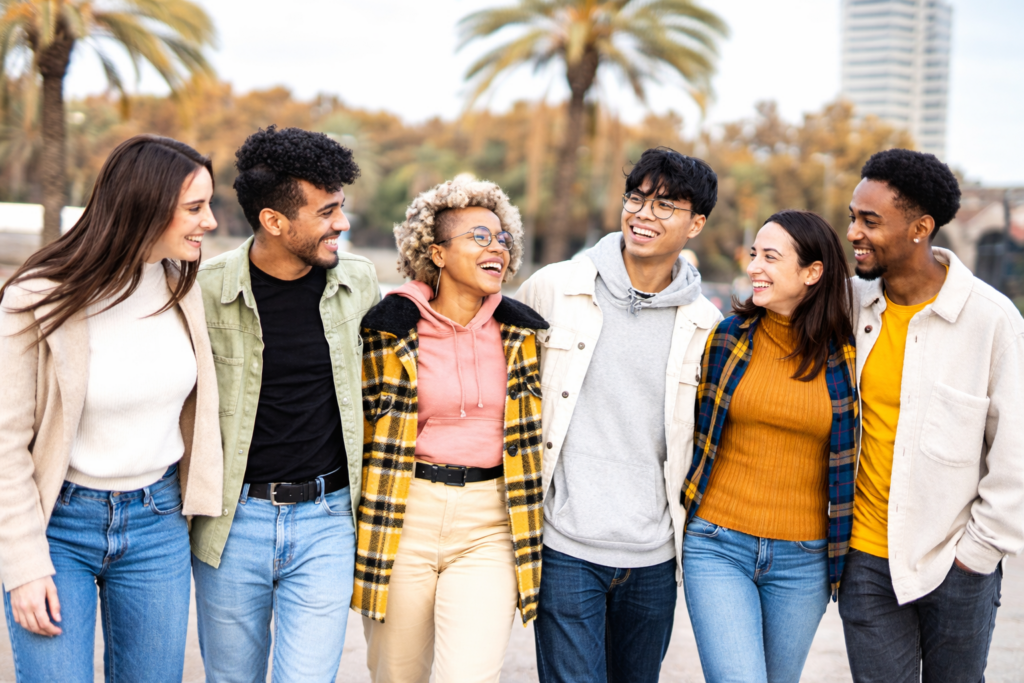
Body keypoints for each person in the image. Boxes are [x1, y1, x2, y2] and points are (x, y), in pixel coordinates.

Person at [0, 135, 223, 683]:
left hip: (156, 523)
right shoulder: (39, 296)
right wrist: (23, 566)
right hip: (59, 523)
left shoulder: (182, 285)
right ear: (143, 206)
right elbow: (5, 443)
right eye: (195, 208)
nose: (211, 222)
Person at [516, 147, 722, 683]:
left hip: (654, 556)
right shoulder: (555, 288)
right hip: (564, 545)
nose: (644, 214)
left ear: (696, 223)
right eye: (637, 198)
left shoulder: (705, 323)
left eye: (666, 205)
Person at [190, 126, 379, 683]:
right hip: (232, 524)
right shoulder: (205, 289)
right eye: (326, 212)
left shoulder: (360, 283)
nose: (341, 223)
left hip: (327, 523)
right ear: (274, 221)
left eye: (340, 207)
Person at [839, 149, 1024, 682]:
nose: (854, 232)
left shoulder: (991, 321)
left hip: (956, 563)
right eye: (853, 216)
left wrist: (977, 556)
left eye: (870, 221)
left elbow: (1013, 456)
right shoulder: (851, 307)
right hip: (867, 563)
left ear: (920, 228)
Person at [354, 177, 547, 682]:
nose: (496, 248)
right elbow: (360, 426)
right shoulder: (387, 329)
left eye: (502, 238)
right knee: (397, 673)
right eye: (479, 237)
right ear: (437, 253)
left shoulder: (523, 334)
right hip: (404, 514)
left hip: (490, 523)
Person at [680, 210, 859, 683]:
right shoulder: (726, 339)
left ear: (812, 272)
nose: (755, 266)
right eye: (754, 254)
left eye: (770, 257)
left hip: (804, 560)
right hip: (718, 545)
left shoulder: (847, 355)